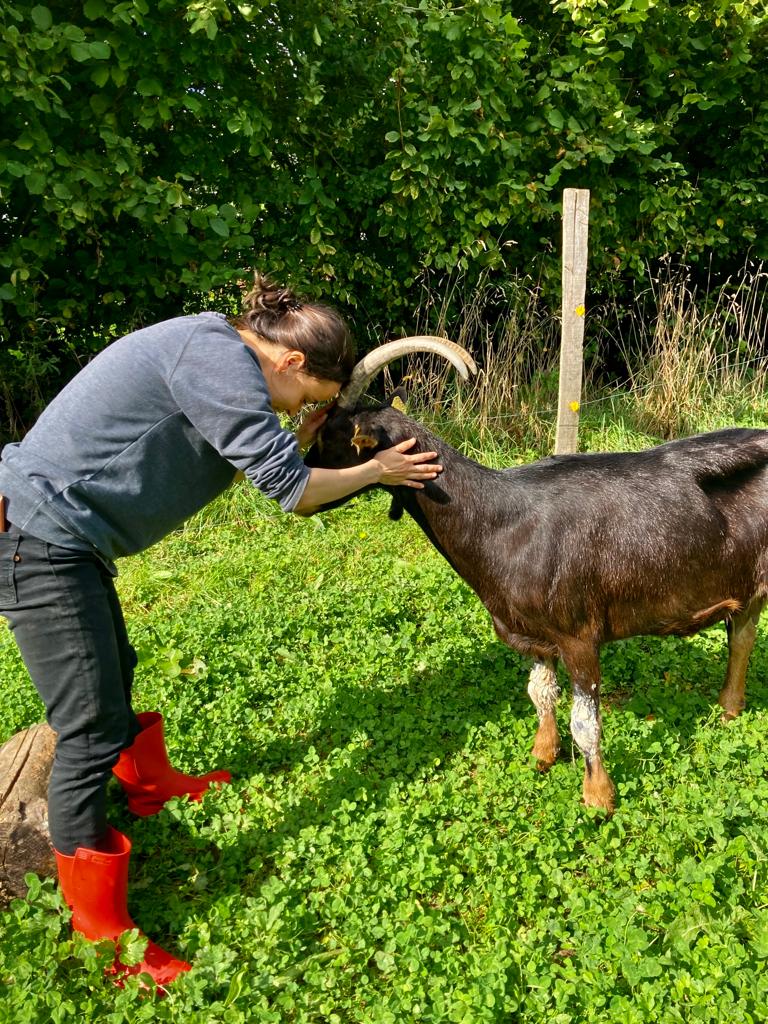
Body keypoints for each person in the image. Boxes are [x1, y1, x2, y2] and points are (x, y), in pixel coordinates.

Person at [0, 275, 441, 987]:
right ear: (292, 363)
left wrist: (296, 434)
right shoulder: (219, 363)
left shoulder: (215, 350)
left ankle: (148, 785)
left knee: (116, 665)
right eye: (313, 399)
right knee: (85, 725)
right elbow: (293, 493)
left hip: (60, 536)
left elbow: (255, 455)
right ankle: (99, 930)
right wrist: (378, 469)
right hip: (37, 539)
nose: (305, 412)